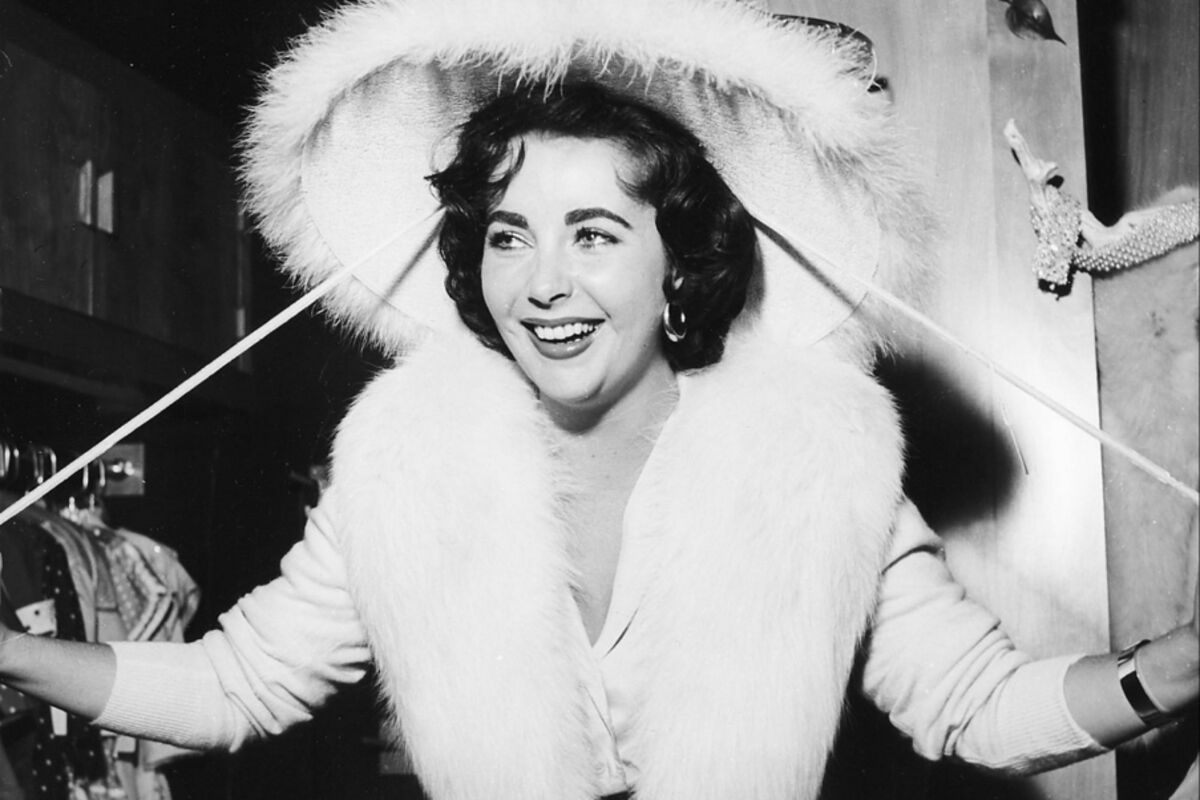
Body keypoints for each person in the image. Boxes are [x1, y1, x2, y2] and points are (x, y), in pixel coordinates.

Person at [0, 1, 1196, 798]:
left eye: (593, 232)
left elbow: (977, 702)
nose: (543, 284)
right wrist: (10, 652)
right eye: (508, 234)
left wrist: (1174, 666)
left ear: (679, 262)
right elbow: (235, 682)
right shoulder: (409, 458)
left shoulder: (810, 457)